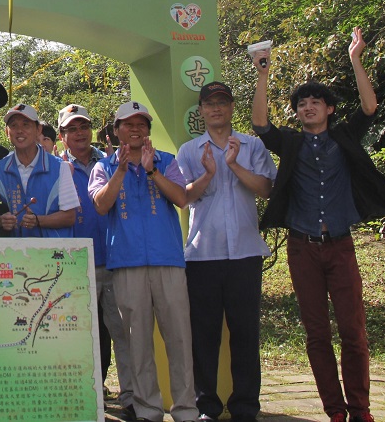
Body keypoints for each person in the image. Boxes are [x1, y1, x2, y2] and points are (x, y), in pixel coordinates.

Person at [250, 28, 385, 422]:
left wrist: (356, 58)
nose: (308, 107)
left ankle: (361, 410)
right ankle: (334, 411)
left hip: (340, 245)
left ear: (329, 109)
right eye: (302, 104)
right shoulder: (291, 143)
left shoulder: (344, 138)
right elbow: (261, 125)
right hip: (302, 248)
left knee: (354, 332)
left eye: (315, 102)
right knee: (317, 333)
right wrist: (263, 73)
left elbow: (370, 107)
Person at [90, 101, 197, 422]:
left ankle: (186, 408)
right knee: (137, 341)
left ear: (148, 130)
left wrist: (152, 171)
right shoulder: (104, 167)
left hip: (168, 261)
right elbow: (100, 205)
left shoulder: (166, 161)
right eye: (128, 124)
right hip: (126, 263)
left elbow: (181, 199)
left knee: (179, 337)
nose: (135, 129)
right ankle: (149, 409)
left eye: (141, 124)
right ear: (116, 129)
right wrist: (122, 170)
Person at [177, 82, 277, 422]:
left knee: (246, 333)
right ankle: (206, 406)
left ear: (232, 107)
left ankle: (246, 406)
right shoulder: (189, 150)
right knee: (204, 334)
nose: (216, 109)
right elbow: (183, 197)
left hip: (246, 254)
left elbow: (265, 189)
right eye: (209, 103)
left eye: (222, 102)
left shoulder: (251, 146)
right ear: (201, 110)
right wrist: (209, 174)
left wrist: (234, 166)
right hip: (203, 255)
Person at [58, 103, 135, 420]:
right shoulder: (55, 168)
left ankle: (131, 396)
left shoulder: (111, 163)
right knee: (76, 337)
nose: (79, 134)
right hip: (75, 267)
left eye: (84, 127)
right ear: (62, 135)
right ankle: (83, 394)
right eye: (72, 129)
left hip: (113, 261)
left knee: (123, 333)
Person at [0, 103, 78, 238]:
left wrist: (39, 220)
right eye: (13, 125)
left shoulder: (60, 167)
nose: (19, 130)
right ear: (7, 132)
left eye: (26, 124)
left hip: (55, 254)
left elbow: (70, 216)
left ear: (38, 129)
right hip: (19, 254)